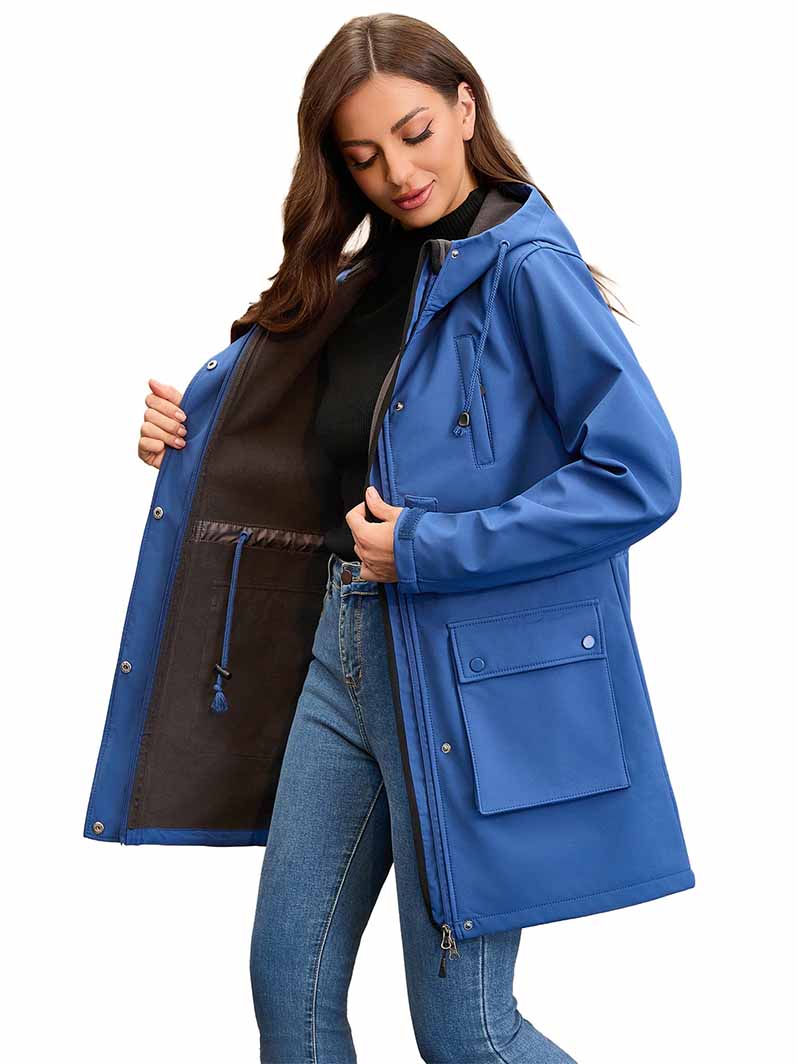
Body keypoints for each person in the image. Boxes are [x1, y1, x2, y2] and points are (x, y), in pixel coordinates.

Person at [128, 13, 691, 1064]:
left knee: (467, 1033)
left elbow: (640, 476)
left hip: (460, 673)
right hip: (342, 650)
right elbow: (323, 447)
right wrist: (187, 433)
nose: (398, 172)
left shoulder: (525, 267)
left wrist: (429, 546)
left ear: (466, 108)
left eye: (416, 132)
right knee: (290, 991)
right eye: (363, 155)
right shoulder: (368, 278)